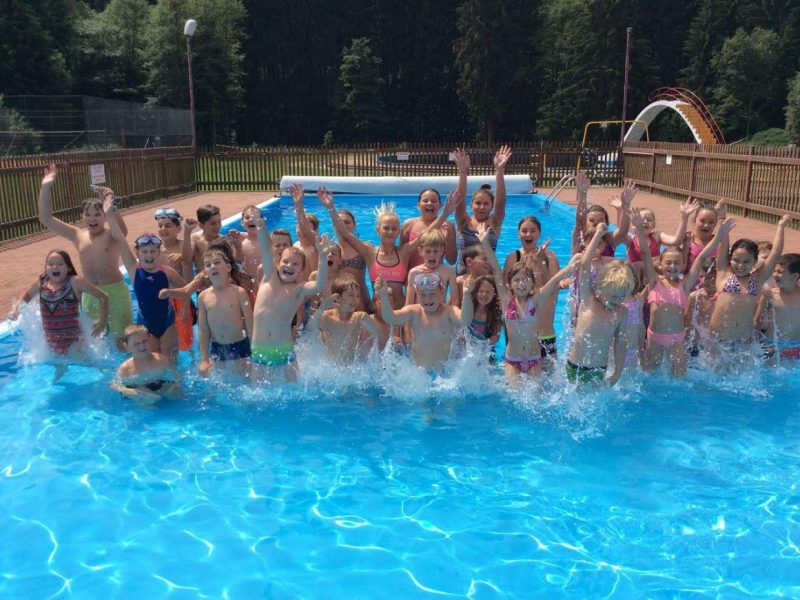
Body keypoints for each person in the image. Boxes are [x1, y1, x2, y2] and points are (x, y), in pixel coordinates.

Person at [317, 186, 462, 310]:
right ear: (378, 230)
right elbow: (345, 234)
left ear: (399, 232)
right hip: (377, 311)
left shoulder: (404, 252)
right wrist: (330, 208)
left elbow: (425, 234)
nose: (390, 232)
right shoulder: (369, 252)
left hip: (401, 312)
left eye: (394, 229)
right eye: (386, 228)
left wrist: (445, 213)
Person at [36, 164, 132, 344]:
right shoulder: (77, 235)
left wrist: (111, 206)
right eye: (88, 215)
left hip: (115, 291)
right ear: (82, 216)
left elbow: (123, 231)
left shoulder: (112, 235)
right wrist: (45, 187)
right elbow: (46, 218)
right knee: (96, 343)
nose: (92, 218)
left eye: (97, 214)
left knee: (121, 342)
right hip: (90, 294)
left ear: (104, 216)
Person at [631, 209, 734, 376]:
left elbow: (701, 257)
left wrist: (719, 236)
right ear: (661, 264)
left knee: (679, 377)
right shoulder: (654, 282)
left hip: (677, 340)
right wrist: (637, 226)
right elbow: (645, 252)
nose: (672, 266)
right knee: (650, 376)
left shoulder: (684, 286)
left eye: (677, 263)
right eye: (668, 263)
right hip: (655, 339)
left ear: (682, 265)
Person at [480, 229, 581, 384]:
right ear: (510, 284)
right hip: (512, 360)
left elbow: (554, 280)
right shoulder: (507, 300)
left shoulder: (536, 299)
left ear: (532, 284)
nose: (521, 283)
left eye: (526, 280)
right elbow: (496, 270)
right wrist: (485, 243)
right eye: (517, 280)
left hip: (534, 359)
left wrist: (570, 267)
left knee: (536, 395)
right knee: (515, 394)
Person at [250, 209, 334, 381]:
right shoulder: (269, 277)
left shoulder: (298, 289)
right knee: (257, 391)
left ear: (302, 270)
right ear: (277, 263)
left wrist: (322, 257)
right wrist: (260, 227)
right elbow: (266, 249)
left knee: (293, 390)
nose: (289, 266)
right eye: (286, 262)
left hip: (284, 351)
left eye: (295, 264)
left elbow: (319, 284)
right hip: (259, 351)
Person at [108, 207, 186, 358]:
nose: (149, 255)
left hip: (168, 324)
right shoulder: (134, 270)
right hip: (146, 326)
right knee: (151, 361)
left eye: (152, 251)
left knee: (171, 361)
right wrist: (109, 212)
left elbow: (186, 290)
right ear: (137, 253)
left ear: (159, 252)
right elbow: (120, 239)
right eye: (144, 252)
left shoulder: (168, 272)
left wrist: (183, 307)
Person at [709, 214, 790, 356]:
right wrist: (722, 219)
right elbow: (723, 243)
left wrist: (781, 228)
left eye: (746, 261)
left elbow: (776, 254)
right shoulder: (723, 273)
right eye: (736, 260)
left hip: (744, 343)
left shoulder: (757, 279)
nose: (740, 265)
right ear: (730, 259)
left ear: (755, 262)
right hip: (718, 341)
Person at [567, 223, 635, 385]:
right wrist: (598, 234)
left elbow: (620, 343)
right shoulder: (589, 300)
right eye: (613, 295)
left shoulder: (621, 312)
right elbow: (584, 265)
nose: (616, 300)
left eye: (621, 297)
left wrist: (617, 371)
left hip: (599, 369)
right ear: (601, 287)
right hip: (576, 367)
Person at [9, 250, 108, 354]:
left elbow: (103, 296)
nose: (55, 267)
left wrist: (102, 322)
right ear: (46, 268)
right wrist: (16, 309)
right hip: (52, 346)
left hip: (76, 346)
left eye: (60, 264)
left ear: (69, 268)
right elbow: (26, 297)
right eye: (50, 264)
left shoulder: (74, 282)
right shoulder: (42, 282)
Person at [374, 272, 474, 371]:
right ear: (417, 295)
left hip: (443, 374)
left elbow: (465, 320)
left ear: (442, 293)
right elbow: (391, 318)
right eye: (422, 294)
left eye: (432, 294)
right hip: (419, 373)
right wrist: (383, 295)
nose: (427, 299)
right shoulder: (414, 311)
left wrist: (466, 294)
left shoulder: (449, 311)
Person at [502, 216, 561, 364]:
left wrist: (541, 262)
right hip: (518, 337)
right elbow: (506, 295)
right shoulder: (513, 258)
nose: (528, 234)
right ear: (518, 234)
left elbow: (553, 291)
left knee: (549, 377)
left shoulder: (550, 256)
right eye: (524, 231)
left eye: (533, 231)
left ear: (539, 234)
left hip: (544, 333)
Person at [197, 248, 254, 378]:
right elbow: (203, 330)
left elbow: (250, 323)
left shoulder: (239, 292)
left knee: (244, 380)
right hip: (217, 349)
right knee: (220, 383)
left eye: (217, 262)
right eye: (208, 265)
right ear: (205, 272)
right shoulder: (203, 297)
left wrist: (254, 349)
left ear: (228, 267)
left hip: (241, 346)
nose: (213, 266)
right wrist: (204, 360)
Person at [454, 146, 512, 274]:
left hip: (487, 279)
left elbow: (501, 201)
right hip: (462, 277)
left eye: (486, 204)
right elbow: (459, 200)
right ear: (471, 205)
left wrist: (499, 171)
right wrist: (463, 172)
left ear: (492, 206)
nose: (481, 207)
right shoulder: (463, 221)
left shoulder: (495, 222)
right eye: (478, 203)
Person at [305, 274, 381, 364]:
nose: (355, 299)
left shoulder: (358, 317)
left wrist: (367, 318)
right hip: (330, 367)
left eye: (357, 296)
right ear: (337, 297)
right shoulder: (327, 316)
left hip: (350, 368)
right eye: (351, 295)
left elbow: (379, 333)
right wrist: (321, 308)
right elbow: (309, 330)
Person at [154, 207, 196, 351]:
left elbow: (187, 260)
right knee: (166, 341)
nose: (163, 229)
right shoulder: (155, 250)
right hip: (162, 301)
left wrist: (188, 231)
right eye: (160, 226)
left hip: (181, 300)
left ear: (178, 228)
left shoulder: (182, 245)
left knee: (185, 343)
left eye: (168, 225)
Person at [111, 324, 180, 408]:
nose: (142, 346)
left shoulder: (162, 361)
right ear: (127, 347)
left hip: (158, 385)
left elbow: (178, 377)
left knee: (175, 394)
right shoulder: (125, 368)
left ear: (150, 339)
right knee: (147, 399)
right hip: (138, 388)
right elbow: (114, 385)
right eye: (136, 344)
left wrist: (175, 387)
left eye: (144, 341)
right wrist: (128, 391)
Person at [572, 174, 636, 257]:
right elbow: (580, 220)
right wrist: (583, 194)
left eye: (601, 220)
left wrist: (626, 203)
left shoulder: (609, 239)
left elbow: (623, 231)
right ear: (585, 222)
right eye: (591, 220)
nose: (596, 223)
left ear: (607, 223)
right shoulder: (580, 236)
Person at [626, 198, 700, 266]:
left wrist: (684, 217)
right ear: (633, 224)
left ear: (654, 225)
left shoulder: (657, 236)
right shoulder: (630, 239)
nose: (645, 221)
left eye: (649, 220)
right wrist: (624, 205)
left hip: (653, 274)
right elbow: (620, 234)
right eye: (641, 219)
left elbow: (676, 241)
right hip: (636, 275)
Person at [757, 253, 800, 360]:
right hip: (771, 347)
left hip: (796, 347)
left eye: (779, 272)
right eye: (774, 271)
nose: (774, 275)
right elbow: (757, 322)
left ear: (794, 276)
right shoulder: (770, 295)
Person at [402, 188, 457, 268]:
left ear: (440, 205)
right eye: (425, 201)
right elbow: (402, 256)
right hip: (413, 273)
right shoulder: (409, 225)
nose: (429, 203)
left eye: (434, 201)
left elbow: (452, 261)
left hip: (437, 274)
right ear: (418, 205)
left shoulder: (447, 226)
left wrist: (447, 241)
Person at [405, 230, 458, 306]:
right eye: (428, 251)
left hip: (440, 312)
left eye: (435, 251)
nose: (432, 255)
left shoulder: (449, 271)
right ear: (420, 251)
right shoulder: (414, 272)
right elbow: (409, 303)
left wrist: (448, 312)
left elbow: (455, 300)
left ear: (442, 251)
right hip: (420, 312)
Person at [335, 209, 371, 311]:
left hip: (361, 299)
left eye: (347, 222)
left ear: (354, 226)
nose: (343, 225)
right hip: (339, 301)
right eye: (340, 222)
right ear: (334, 226)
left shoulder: (364, 247)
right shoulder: (331, 250)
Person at [682, 199, 726, 275]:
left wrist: (722, 217)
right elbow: (682, 268)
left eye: (711, 222)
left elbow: (724, 265)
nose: (706, 225)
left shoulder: (719, 242)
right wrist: (685, 246)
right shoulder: (689, 241)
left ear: (716, 223)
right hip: (692, 281)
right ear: (694, 220)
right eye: (702, 221)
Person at [463, 274, 502, 359]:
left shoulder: (495, 312)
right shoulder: (470, 307)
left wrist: (481, 346)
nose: (484, 294)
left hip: (486, 352)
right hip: (467, 349)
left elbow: (495, 336)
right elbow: (462, 329)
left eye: (488, 292)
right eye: (481, 291)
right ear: (476, 292)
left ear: (494, 294)